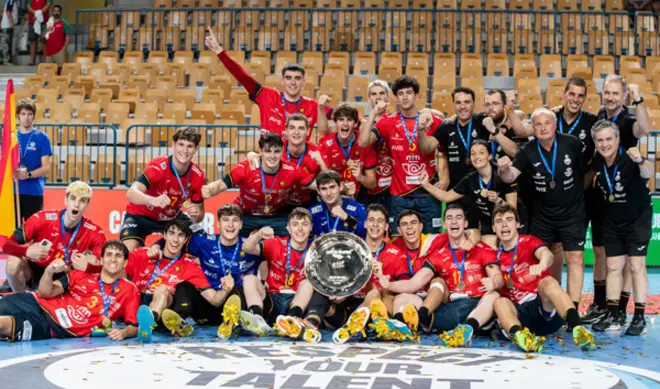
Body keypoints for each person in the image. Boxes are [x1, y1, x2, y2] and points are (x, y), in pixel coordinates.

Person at [498, 107, 587, 309]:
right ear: (532, 128)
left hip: (572, 212)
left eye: (547, 123)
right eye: (538, 124)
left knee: (576, 258)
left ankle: (572, 307)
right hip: (542, 215)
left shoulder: (572, 144)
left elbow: (586, 173)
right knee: (542, 257)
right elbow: (510, 176)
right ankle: (547, 304)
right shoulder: (527, 151)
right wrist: (503, 169)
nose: (543, 128)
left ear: (555, 126)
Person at [379, 204, 502, 347]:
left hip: (477, 305)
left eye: (458, 217)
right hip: (450, 308)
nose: (454, 221)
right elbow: (413, 284)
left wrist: (494, 283)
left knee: (494, 296)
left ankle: (468, 328)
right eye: (449, 218)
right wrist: (389, 284)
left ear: (466, 223)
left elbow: (497, 276)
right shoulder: (438, 255)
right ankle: (400, 326)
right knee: (402, 297)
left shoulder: (481, 248)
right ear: (444, 224)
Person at [486, 204, 595, 352]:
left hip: (544, 310)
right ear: (493, 228)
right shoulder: (493, 253)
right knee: (499, 302)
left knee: (549, 282)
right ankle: (522, 338)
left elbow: (546, 254)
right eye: (499, 221)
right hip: (520, 316)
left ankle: (577, 328)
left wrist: (543, 264)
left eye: (509, 219)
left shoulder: (529, 242)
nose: (504, 224)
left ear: (517, 224)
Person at [153, 204, 270, 337]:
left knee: (237, 290)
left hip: (235, 303)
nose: (230, 225)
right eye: (225, 220)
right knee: (184, 286)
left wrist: (264, 281)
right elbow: (175, 240)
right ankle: (180, 321)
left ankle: (233, 322)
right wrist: (157, 245)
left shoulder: (251, 247)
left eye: (235, 220)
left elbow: (271, 257)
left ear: (241, 225)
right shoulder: (203, 242)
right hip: (207, 304)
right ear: (218, 224)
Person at [0, 240, 140, 341]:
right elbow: (45, 293)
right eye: (109, 255)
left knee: (2, 325)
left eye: (118, 256)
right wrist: (48, 272)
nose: (113, 259)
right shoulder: (80, 274)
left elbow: (133, 326)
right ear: (102, 260)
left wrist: (124, 333)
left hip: (52, 326)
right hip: (35, 302)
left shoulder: (129, 290)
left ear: (125, 262)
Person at [205, 27, 330, 138]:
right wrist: (219, 51)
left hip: (298, 162)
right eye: (288, 78)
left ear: (304, 82)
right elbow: (242, 76)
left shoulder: (314, 105)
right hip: (269, 160)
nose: (293, 82)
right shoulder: (267, 96)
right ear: (282, 81)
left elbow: (343, 119)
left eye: (297, 78)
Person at [357, 75, 444, 234]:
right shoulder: (388, 122)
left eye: (409, 93)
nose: (405, 97)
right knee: (398, 242)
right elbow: (363, 142)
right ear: (396, 98)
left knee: (431, 241)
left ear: (417, 96)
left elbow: (444, 152)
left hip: (428, 192)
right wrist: (373, 114)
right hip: (400, 195)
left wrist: (446, 179)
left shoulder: (432, 121)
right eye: (401, 93)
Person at [125, 218, 236, 340]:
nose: (175, 240)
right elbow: (117, 273)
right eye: (172, 233)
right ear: (164, 236)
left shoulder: (191, 266)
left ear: (185, 240)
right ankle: (146, 322)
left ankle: (150, 322)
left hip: (163, 307)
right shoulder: (142, 254)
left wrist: (225, 290)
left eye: (181, 235)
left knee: (162, 290)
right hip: (137, 303)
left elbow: (214, 300)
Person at [589, 121, 651, 336]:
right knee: (613, 267)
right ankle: (614, 314)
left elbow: (647, 173)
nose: (605, 144)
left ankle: (640, 317)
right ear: (595, 143)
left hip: (637, 219)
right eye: (600, 140)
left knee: (636, 266)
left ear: (617, 140)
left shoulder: (630, 157)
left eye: (609, 139)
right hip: (612, 219)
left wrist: (641, 160)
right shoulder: (597, 160)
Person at [202, 132, 316, 237]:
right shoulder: (245, 168)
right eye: (268, 151)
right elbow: (220, 185)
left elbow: (319, 186)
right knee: (228, 233)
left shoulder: (292, 170)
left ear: (282, 152)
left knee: (297, 234)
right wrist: (205, 191)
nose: (272, 156)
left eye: (276, 151)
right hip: (245, 215)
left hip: (276, 218)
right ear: (260, 152)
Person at [1, 181, 105, 293]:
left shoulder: (95, 232)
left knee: (94, 260)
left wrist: (89, 267)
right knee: (13, 262)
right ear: (66, 200)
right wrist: (26, 251)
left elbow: (106, 266)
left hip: (66, 276)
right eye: (73, 198)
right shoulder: (42, 219)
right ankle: (20, 300)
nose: (76, 204)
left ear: (87, 206)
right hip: (35, 271)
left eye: (82, 200)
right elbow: (5, 244)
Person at [241, 208, 319, 342]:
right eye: (295, 224)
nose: (300, 229)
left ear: (311, 227)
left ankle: (293, 321)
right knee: (249, 279)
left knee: (308, 283)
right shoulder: (276, 243)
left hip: (297, 300)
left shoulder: (316, 249)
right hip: (272, 300)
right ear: (288, 228)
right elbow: (246, 248)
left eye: (304, 224)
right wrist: (259, 234)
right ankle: (257, 320)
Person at [121, 127, 205, 251]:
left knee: (201, 238)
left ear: (196, 149)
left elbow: (200, 215)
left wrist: (196, 215)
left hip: (171, 218)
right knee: (127, 252)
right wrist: (152, 200)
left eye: (190, 146)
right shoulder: (158, 166)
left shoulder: (198, 175)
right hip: (140, 215)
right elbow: (131, 193)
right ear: (173, 146)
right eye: (181, 144)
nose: (185, 150)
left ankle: (159, 246)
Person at [418, 139, 522, 236]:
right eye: (473, 154)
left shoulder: (503, 174)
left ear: (490, 155)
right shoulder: (470, 179)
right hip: (489, 223)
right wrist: (426, 184)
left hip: (512, 222)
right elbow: (446, 197)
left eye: (481, 153)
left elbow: (513, 209)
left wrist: (498, 201)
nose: (477, 157)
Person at [319, 104, 377, 198]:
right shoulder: (325, 144)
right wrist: (342, 188)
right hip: (332, 195)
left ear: (355, 124)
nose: (345, 123)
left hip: (358, 194)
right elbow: (321, 181)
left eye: (349, 120)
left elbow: (372, 183)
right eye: (341, 119)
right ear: (335, 123)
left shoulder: (364, 144)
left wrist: (361, 177)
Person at [14, 99, 52, 222]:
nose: (26, 118)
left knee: (34, 234)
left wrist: (27, 175)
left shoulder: (42, 138)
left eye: (29, 114)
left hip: (33, 193)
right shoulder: (11, 137)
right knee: (12, 235)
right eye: (23, 114)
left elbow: (46, 169)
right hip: (13, 193)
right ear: (18, 116)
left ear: (33, 116)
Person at [359, 80, 394, 207]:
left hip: (391, 183)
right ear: (369, 99)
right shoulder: (364, 124)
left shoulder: (395, 120)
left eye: (381, 93)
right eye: (373, 94)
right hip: (369, 183)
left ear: (387, 97)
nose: (378, 97)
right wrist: (373, 114)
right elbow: (363, 142)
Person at [309, 170, 366, 237]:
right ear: (318, 191)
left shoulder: (357, 209)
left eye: (332, 187)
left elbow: (368, 233)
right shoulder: (313, 212)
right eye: (324, 188)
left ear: (341, 186)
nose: (329, 193)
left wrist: (347, 218)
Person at [27, 0, 52, 66]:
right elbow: (28, 6)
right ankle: (32, 61)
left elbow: (48, 5)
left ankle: (46, 61)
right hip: (32, 21)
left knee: (44, 41)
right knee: (32, 41)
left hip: (44, 21)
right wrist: (35, 13)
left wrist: (38, 14)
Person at [0, 0, 18, 65]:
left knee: (6, 42)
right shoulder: (11, 1)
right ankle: (6, 60)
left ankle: (3, 60)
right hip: (7, 26)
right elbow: (8, 12)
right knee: (6, 43)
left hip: (7, 25)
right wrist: (12, 23)